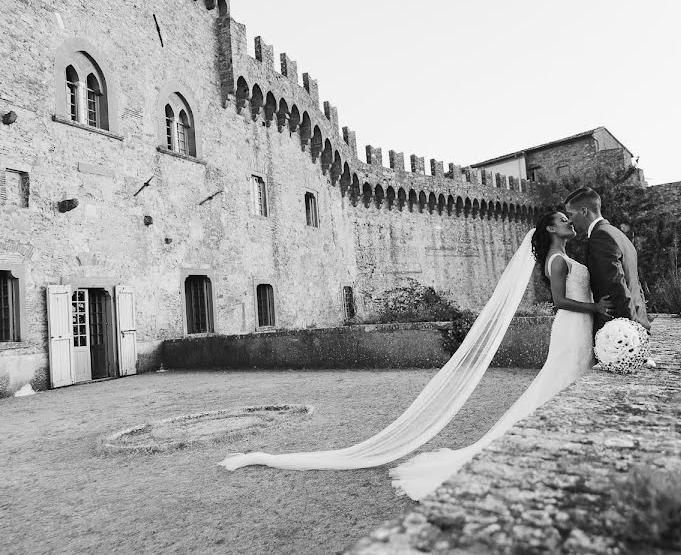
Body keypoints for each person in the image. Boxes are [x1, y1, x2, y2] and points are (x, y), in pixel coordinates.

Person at [218, 210, 611, 502]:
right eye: (563, 220)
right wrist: (596, 310)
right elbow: (560, 301)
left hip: (578, 329)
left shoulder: (565, 256)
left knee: (564, 383)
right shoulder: (556, 260)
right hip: (571, 326)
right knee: (557, 384)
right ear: (549, 229)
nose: (569, 223)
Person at [563, 188, 651, 333]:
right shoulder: (618, 234)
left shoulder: (600, 237)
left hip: (619, 329)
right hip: (637, 321)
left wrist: (631, 330)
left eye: (571, 214)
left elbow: (617, 286)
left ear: (584, 211)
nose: (570, 221)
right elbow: (636, 285)